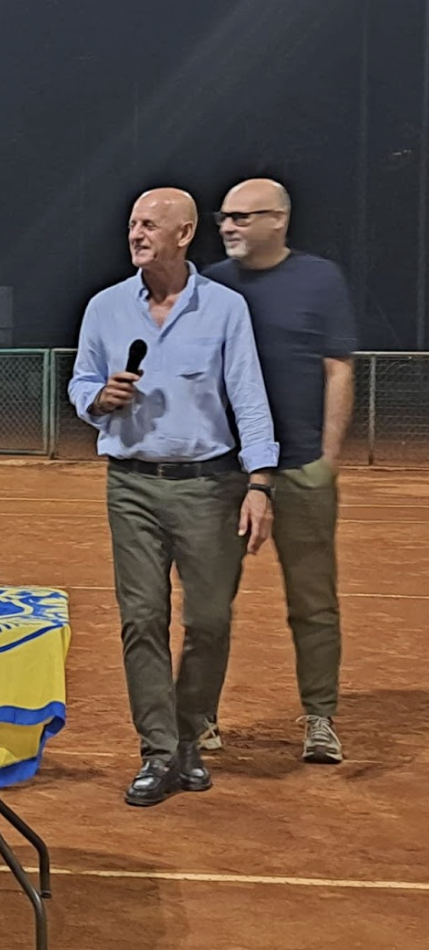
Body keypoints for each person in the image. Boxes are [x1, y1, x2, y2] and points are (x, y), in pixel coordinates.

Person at [69, 187, 278, 807]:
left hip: (210, 486)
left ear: (184, 233)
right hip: (131, 484)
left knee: (209, 620)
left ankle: (190, 733)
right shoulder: (105, 308)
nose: (136, 234)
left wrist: (260, 482)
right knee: (142, 619)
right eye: (132, 222)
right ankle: (159, 750)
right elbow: (82, 381)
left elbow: (249, 397)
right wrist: (96, 400)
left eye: (149, 224)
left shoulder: (225, 309)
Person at [203, 178, 355, 764]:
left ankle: (321, 718)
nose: (229, 226)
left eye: (243, 217)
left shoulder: (320, 279)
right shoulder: (210, 286)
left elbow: (338, 368)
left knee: (314, 603)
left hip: (300, 472)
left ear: (279, 221)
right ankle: (201, 718)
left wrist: (327, 459)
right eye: (225, 217)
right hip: (223, 473)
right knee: (210, 603)